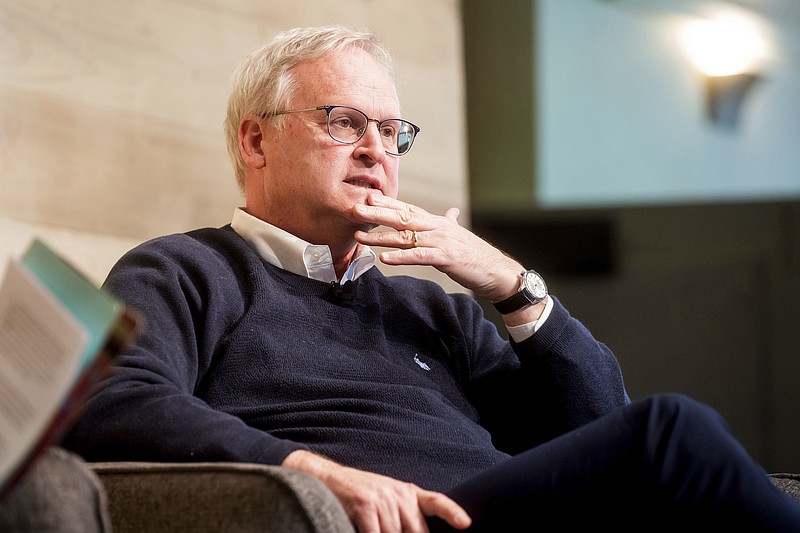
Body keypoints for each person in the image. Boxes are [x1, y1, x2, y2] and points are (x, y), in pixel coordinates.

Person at [63, 25, 800, 532]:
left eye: (391, 132)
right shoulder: (187, 268)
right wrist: (317, 470)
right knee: (674, 430)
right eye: (343, 121)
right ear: (256, 139)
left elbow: (597, 426)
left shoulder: (431, 307)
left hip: (509, 512)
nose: (375, 150)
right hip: (416, 520)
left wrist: (509, 283)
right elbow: (110, 400)